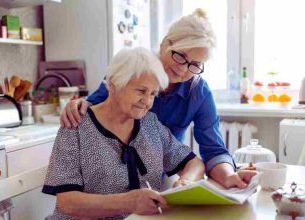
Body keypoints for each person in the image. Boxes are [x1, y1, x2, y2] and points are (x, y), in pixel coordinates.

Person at [60, 8, 257, 189]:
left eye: (194, 65)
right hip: (109, 182)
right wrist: (78, 104)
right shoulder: (133, 69)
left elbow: (213, 151)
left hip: (156, 181)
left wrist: (229, 176)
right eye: (180, 55)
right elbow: (95, 106)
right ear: (164, 43)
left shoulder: (199, 92)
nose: (182, 68)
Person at [42, 47, 205, 219]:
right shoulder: (76, 125)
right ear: (113, 84)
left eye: (153, 94)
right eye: (141, 91)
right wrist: (128, 202)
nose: (147, 101)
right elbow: (67, 202)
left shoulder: (150, 124)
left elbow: (195, 163)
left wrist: (186, 182)